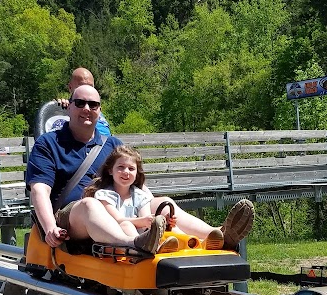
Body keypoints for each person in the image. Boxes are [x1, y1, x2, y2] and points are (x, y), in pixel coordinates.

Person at [27, 85, 254, 254]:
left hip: (120, 208)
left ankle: (218, 236)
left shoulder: (112, 144)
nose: (86, 109)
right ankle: (133, 243)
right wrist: (49, 228)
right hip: (73, 218)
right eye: (80, 103)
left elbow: (137, 185)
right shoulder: (49, 143)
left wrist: (157, 213)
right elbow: (40, 191)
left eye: (93, 105)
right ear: (70, 107)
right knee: (90, 204)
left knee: (162, 202)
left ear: (99, 111)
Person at [83, 145, 254, 252]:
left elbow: (147, 219)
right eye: (120, 168)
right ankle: (150, 246)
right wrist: (143, 221)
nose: (126, 172)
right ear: (110, 171)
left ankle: (202, 242)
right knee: (127, 223)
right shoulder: (105, 194)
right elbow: (117, 219)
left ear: (137, 173)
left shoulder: (139, 195)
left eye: (131, 169)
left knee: (167, 226)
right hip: (122, 234)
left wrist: (162, 222)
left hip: (145, 234)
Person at [55, 67, 112, 137]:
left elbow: (105, 136)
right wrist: (56, 107)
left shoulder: (95, 111)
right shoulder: (61, 109)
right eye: (82, 85)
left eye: (90, 86)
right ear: (70, 87)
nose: (86, 89)